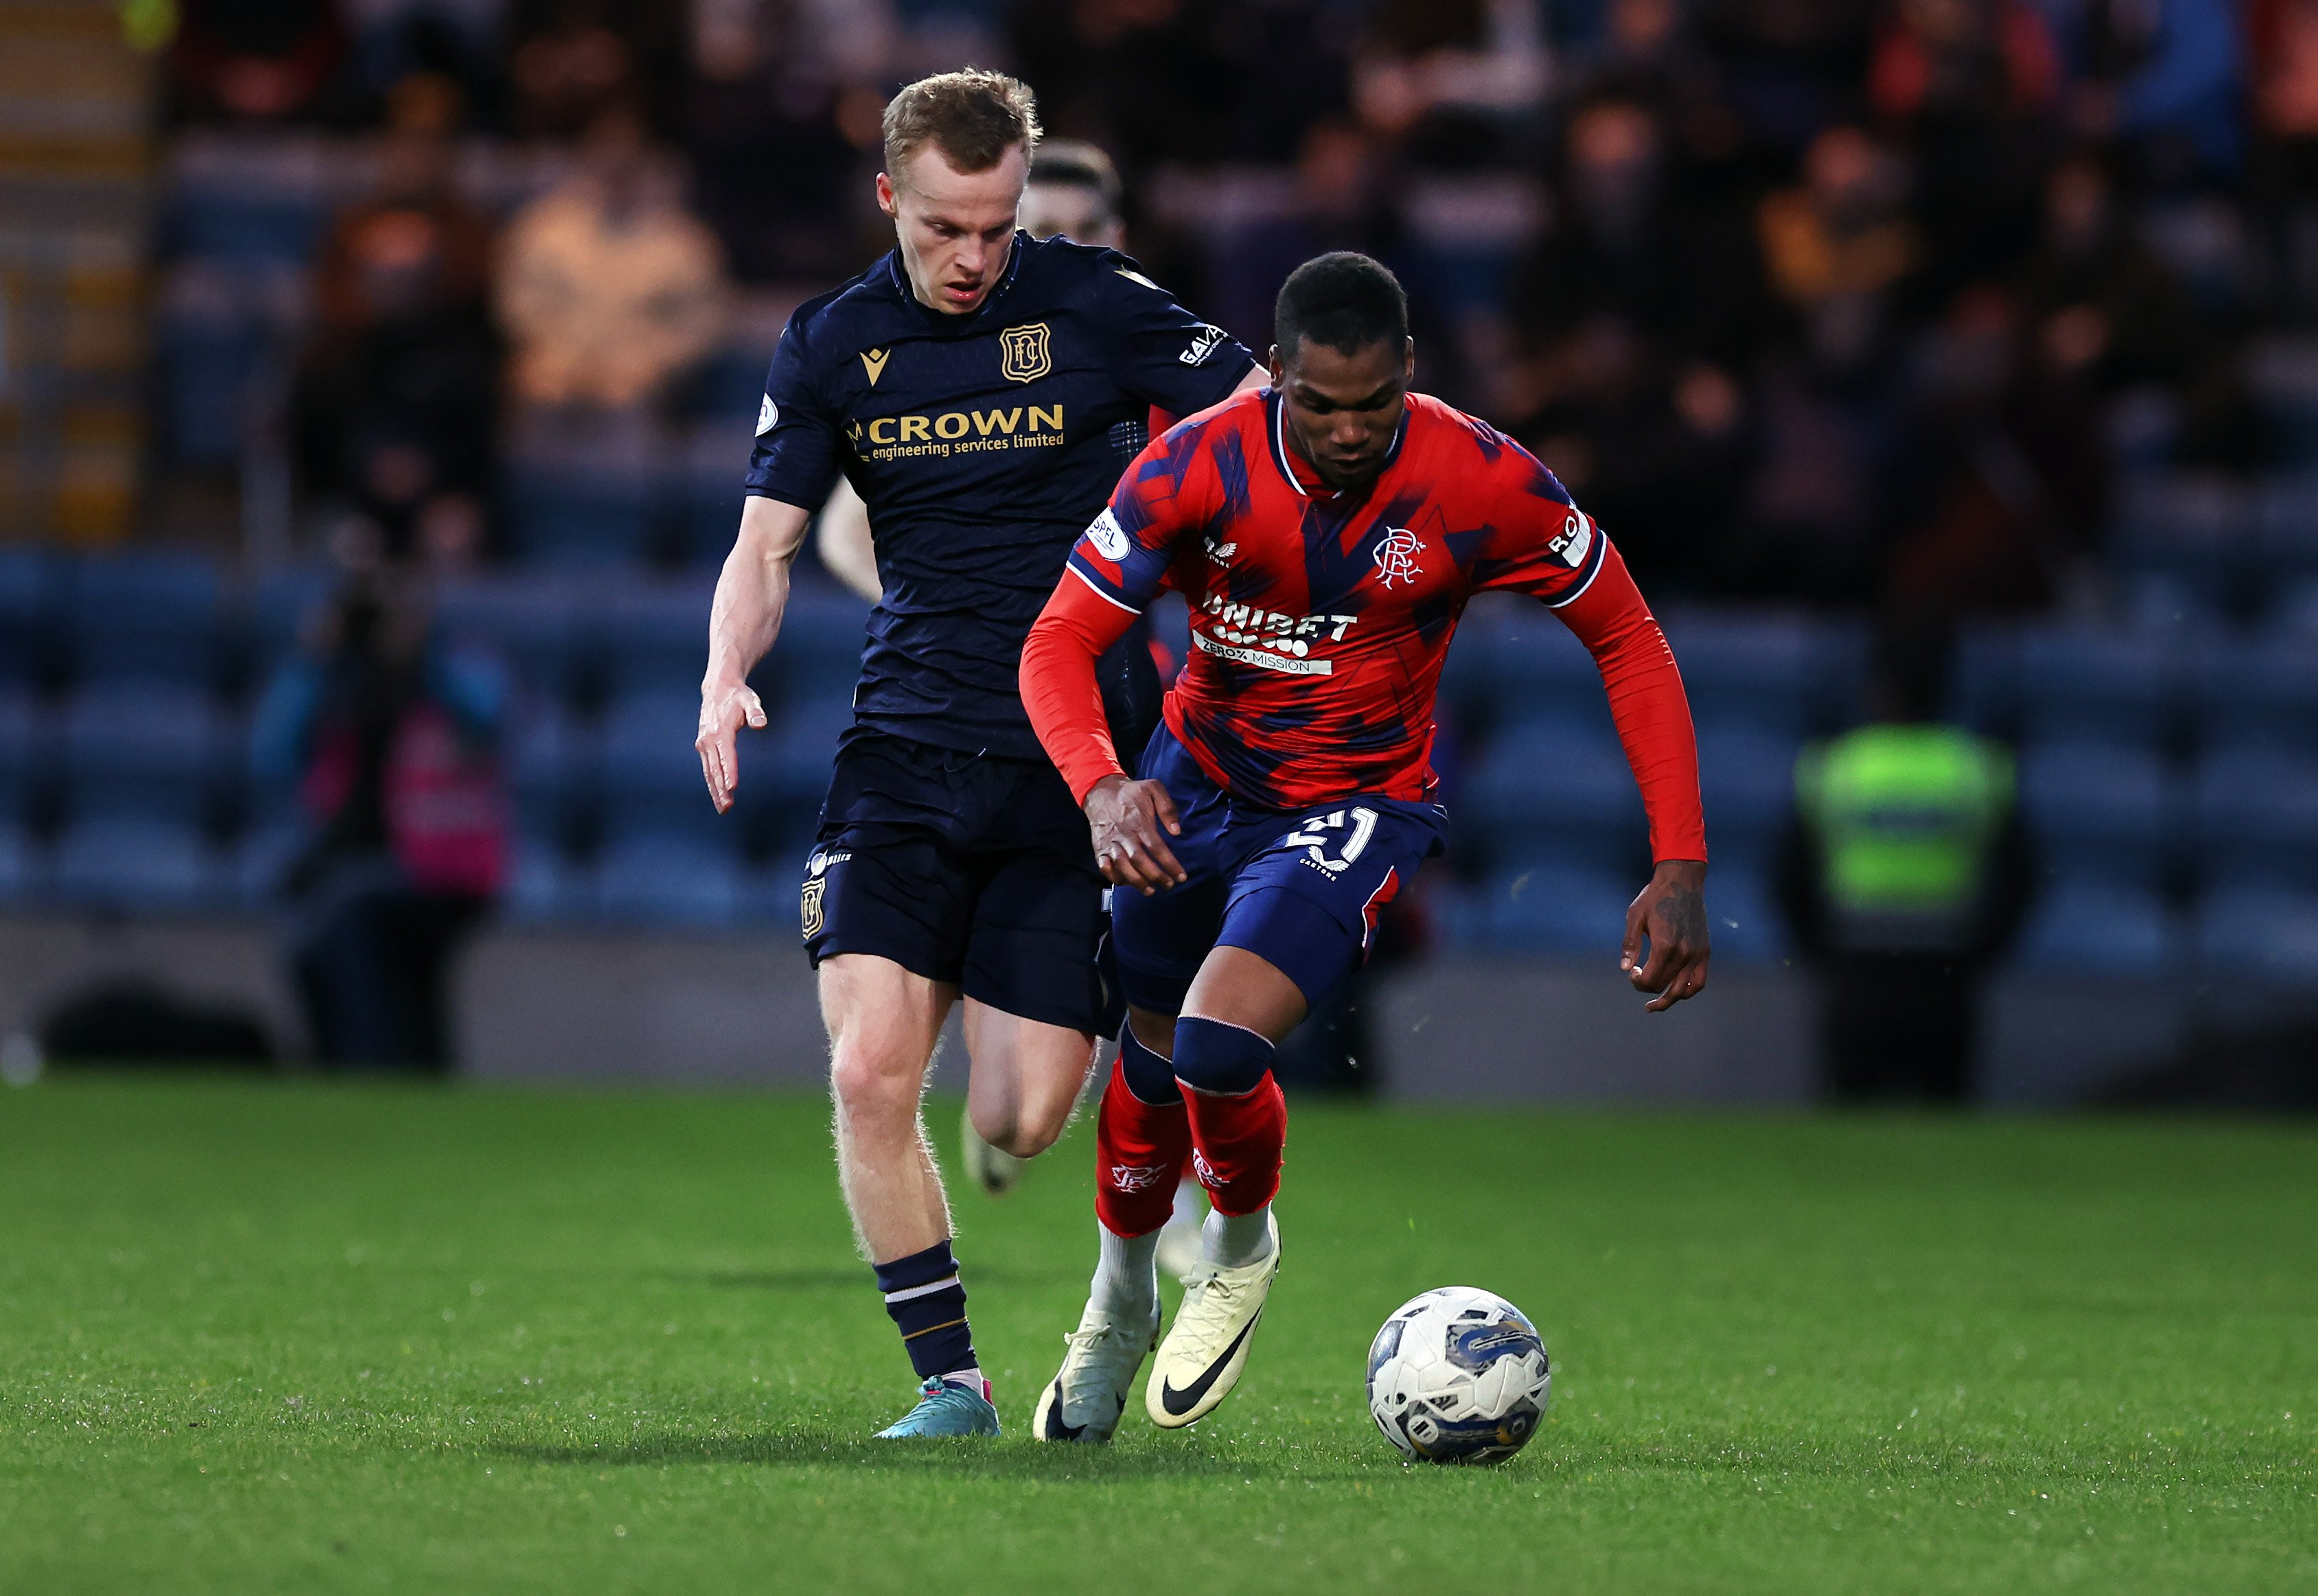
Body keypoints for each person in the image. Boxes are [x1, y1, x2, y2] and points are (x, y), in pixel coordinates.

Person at [1017, 252, 1711, 1442]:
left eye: (1373, 406)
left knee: (1217, 1040)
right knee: (1142, 1047)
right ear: (1274, 374)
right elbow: (1057, 642)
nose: (1346, 431)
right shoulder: (1190, 464)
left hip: (1357, 802)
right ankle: (1119, 1298)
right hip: (1194, 783)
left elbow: (1629, 639)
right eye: (1318, 405)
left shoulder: (1486, 479)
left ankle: (1237, 1251)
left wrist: (1680, 859)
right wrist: (1099, 789)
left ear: (1408, 378)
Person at [693, 71, 1262, 1440]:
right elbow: (765, 543)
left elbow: (1255, 416)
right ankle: (950, 1381)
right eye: (947, 226)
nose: (972, 257)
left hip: (1072, 769)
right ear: (889, 197)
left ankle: (1047, 1153)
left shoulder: (1098, 301)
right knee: (867, 1073)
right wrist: (724, 674)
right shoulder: (829, 341)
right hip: (900, 747)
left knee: (1016, 1118)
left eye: (996, 227)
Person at [811, 137, 1192, 1221]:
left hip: (1118, 715)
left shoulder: (1151, 359)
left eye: (1076, 234)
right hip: (955, 716)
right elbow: (843, 524)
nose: (1050, 253)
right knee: (891, 1060)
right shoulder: (958, 363)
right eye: (1039, 234)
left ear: (1116, 243)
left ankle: (1066, 1077)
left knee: (1019, 1114)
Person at [254, 548, 508, 1070]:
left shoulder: (456, 667)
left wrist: (422, 654)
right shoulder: (339, 680)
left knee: (352, 914)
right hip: (352, 860)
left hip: (442, 870)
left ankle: (374, 1069)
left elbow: (492, 718)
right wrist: (313, 656)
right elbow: (271, 753)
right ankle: (341, 1067)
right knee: (313, 932)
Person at [1778, 636, 2030, 1102]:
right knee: (1945, 1134)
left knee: (1847, 1139)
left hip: (1856, 974)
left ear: (1875, 689)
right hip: (1946, 976)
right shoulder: (1976, 768)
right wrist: (1982, 952)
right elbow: (2021, 878)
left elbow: (1788, 877)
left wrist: (1819, 952)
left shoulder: (1836, 767)